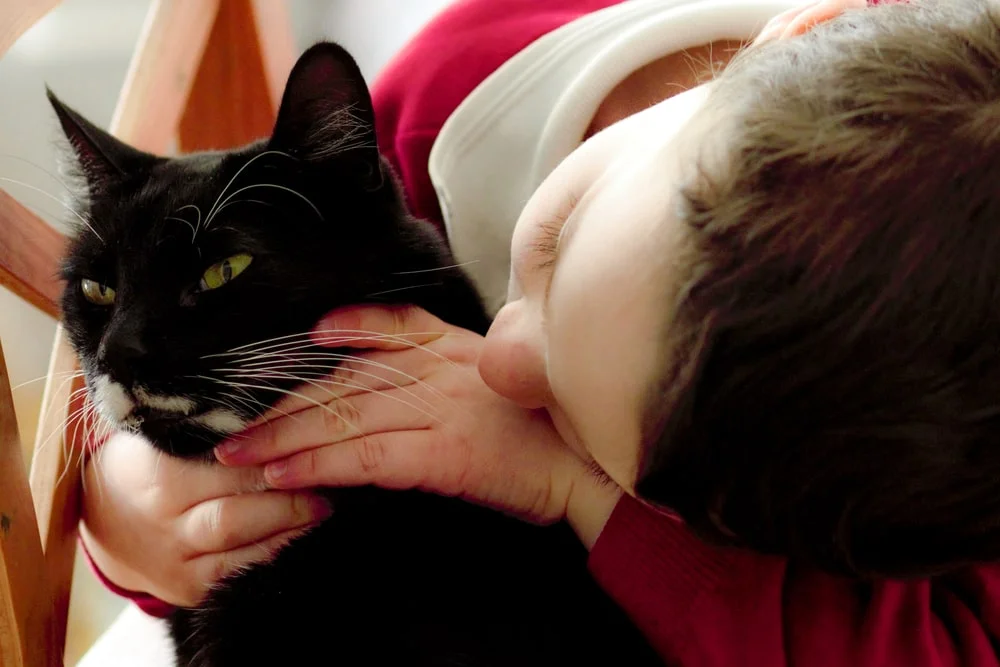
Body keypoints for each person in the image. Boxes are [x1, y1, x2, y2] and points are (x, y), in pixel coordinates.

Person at [81, 0, 1000, 665]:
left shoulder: (944, 457)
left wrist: (574, 485)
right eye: (554, 248)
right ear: (805, 27)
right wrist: (128, 514)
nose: (506, 359)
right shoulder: (431, 111)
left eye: (581, 425)